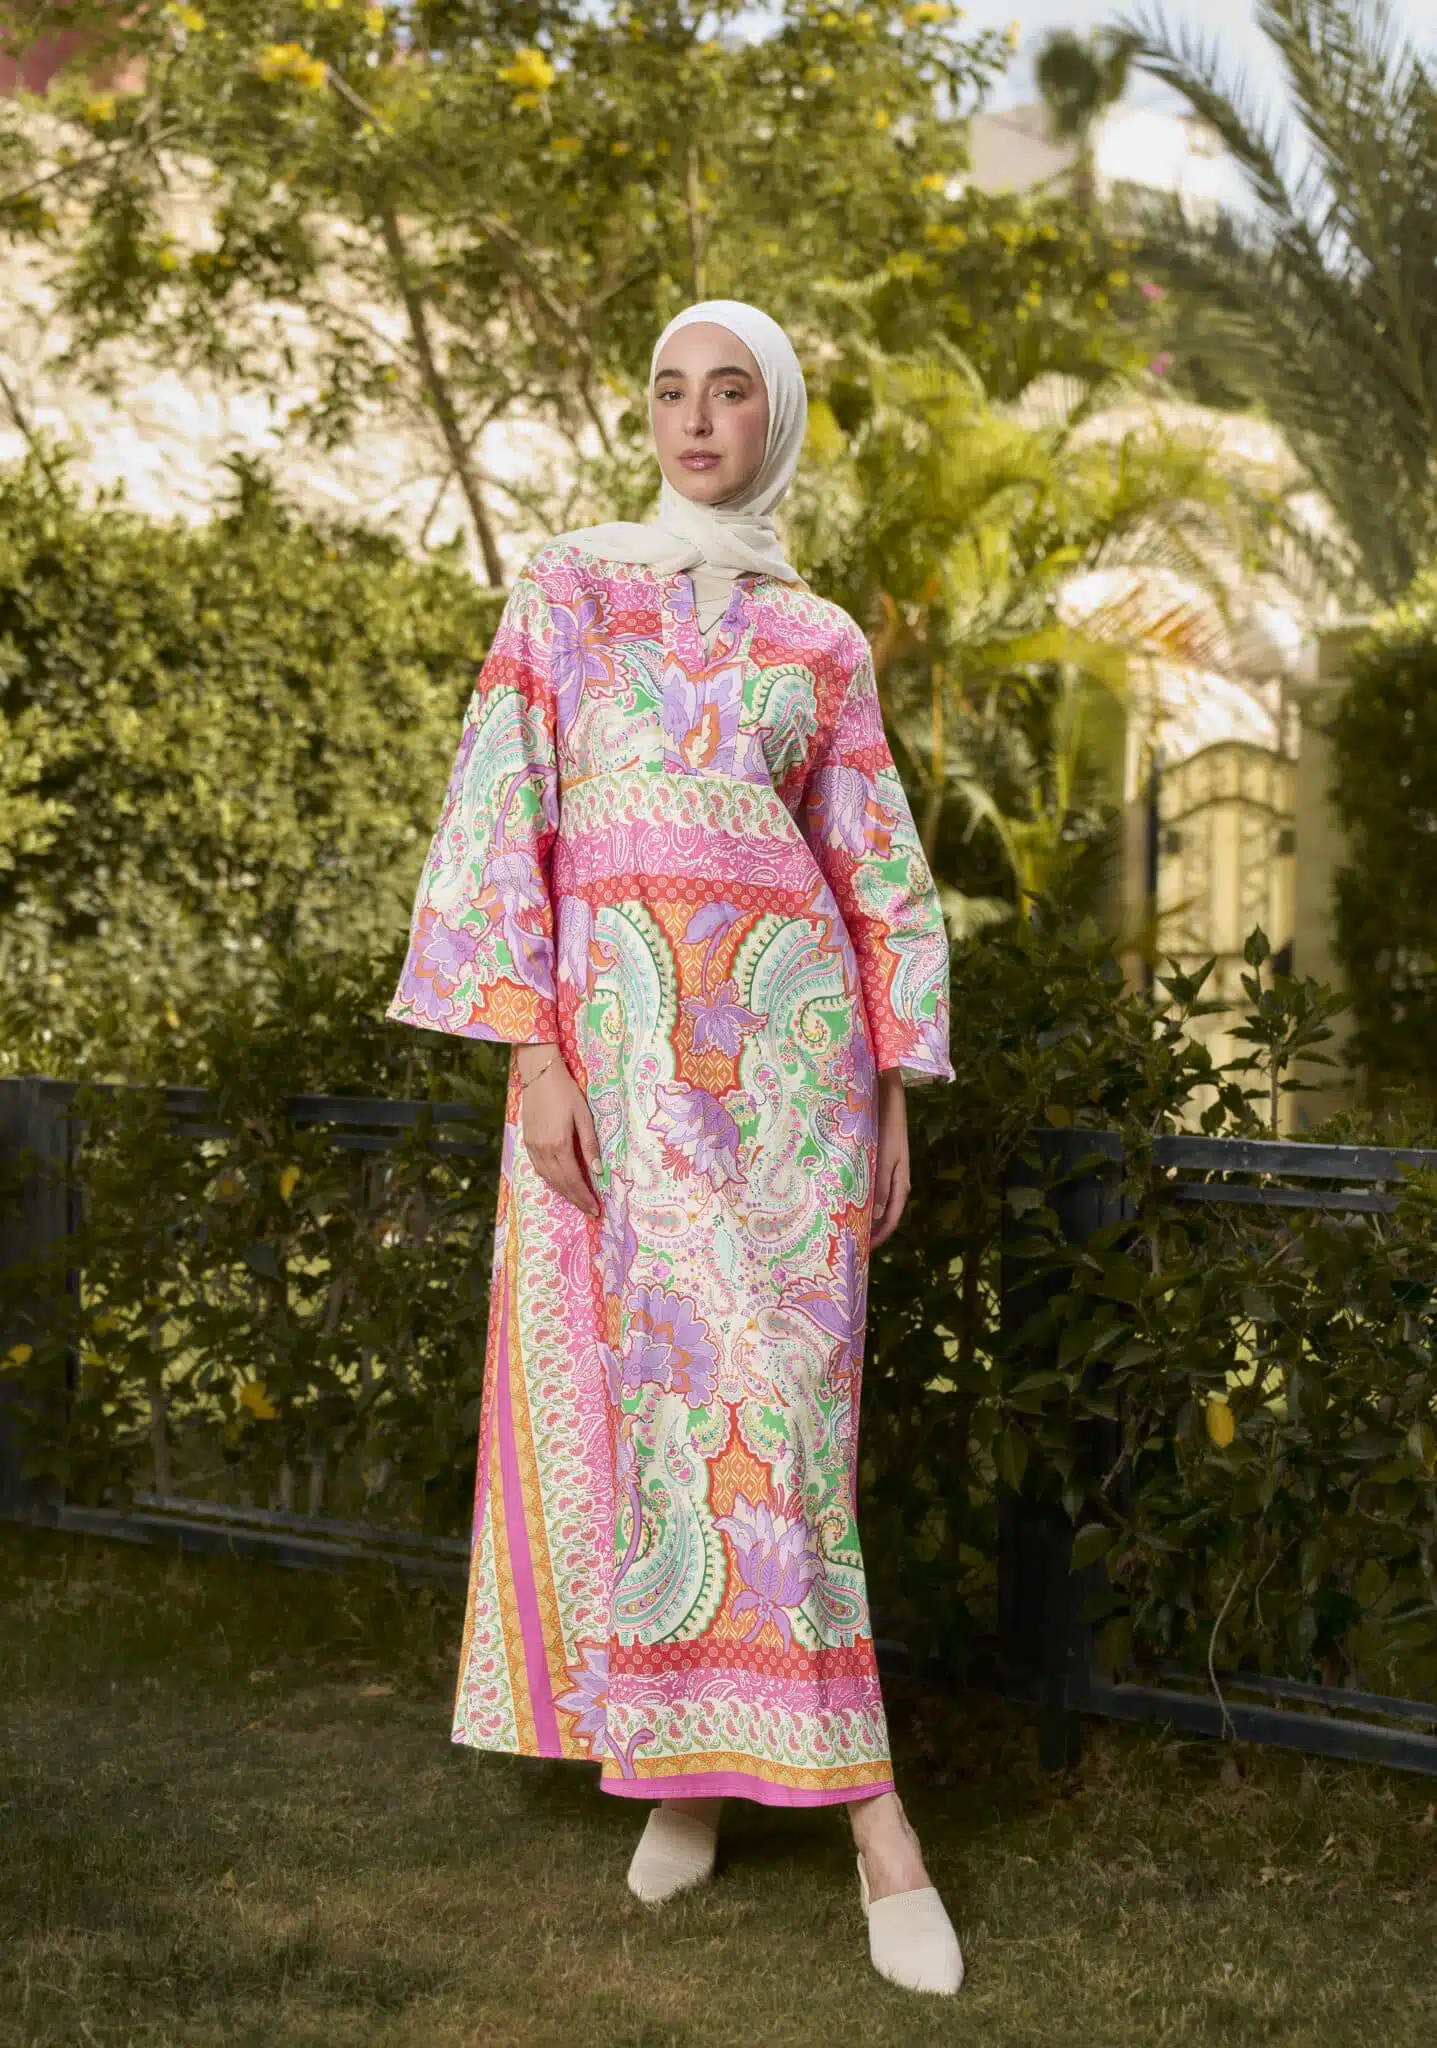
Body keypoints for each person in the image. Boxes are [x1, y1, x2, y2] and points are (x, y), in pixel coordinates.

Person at [388, 299, 962, 1996]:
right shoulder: (568, 589)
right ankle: (700, 1781)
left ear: (775, 419)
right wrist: (532, 1054)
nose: (695, 419)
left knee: (781, 1436)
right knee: (657, 1425)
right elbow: (503, 815)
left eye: (730, 394)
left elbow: (875, 869)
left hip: (787, 1087)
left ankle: (869, 1829)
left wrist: (892, 1088)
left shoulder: (822, 641)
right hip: (618, 1084)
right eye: (669, 391)